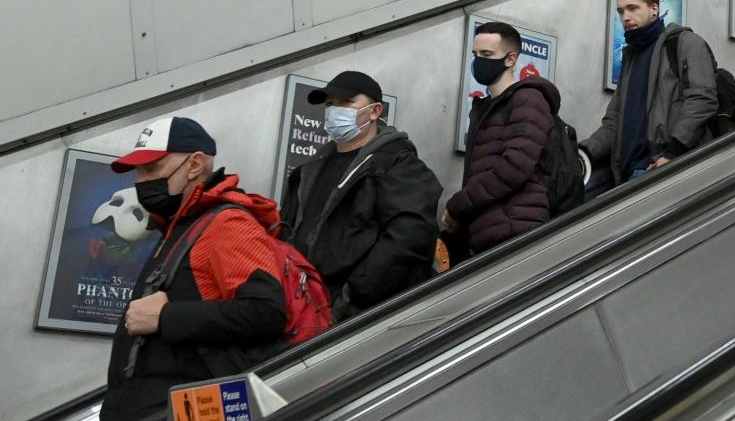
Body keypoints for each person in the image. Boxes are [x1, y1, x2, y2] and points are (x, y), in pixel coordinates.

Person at [101, 117, 286, 420]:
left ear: (195, 165)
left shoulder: (227, 224)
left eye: (153, 168)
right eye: (139, 171)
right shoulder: (180, 227)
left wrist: (166, 316)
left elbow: (266, 311)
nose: (142, 181)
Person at [281, 71, 442, 320]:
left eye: (346, 103)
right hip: (302, 305)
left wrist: (351, 299)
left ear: (375, 111)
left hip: (352, 312)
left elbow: (409, 236)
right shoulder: (308, 170)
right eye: (330, 104)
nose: (335, 111)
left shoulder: (398, 166)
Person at [581, 0, 718, 193]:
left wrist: (672, 153)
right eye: (620, 11)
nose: (625, 17)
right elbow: (614, 121)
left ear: (654, 9)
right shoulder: (631, 58)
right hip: (625, 176)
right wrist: (585, 151)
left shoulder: (684, 43)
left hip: (660, 168)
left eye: (633, 8)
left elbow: (702, 100)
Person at [442, 21, 560, 254]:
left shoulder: (528, 100)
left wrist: (457, 207)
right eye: (476, 54)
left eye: (487, 54)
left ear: (511, 59)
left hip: (517, 229)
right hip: (490, 230)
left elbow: (514, 168)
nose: (479, 61)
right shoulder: (485, 109)